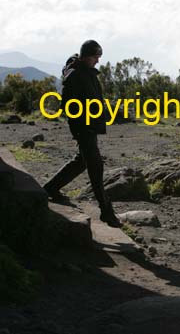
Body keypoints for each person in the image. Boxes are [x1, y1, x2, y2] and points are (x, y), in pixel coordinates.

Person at [43, 39, 121, 228]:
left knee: (81, 162)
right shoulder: (76, 75)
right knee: (96, 167)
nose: (98, 61)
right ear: (87, 56)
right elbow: (70, 106)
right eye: (96, 57)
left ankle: (50, 188)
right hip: (83, 128)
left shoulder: (86, 72)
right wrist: (84, 125)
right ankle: (106, 211)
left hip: (89, 127)